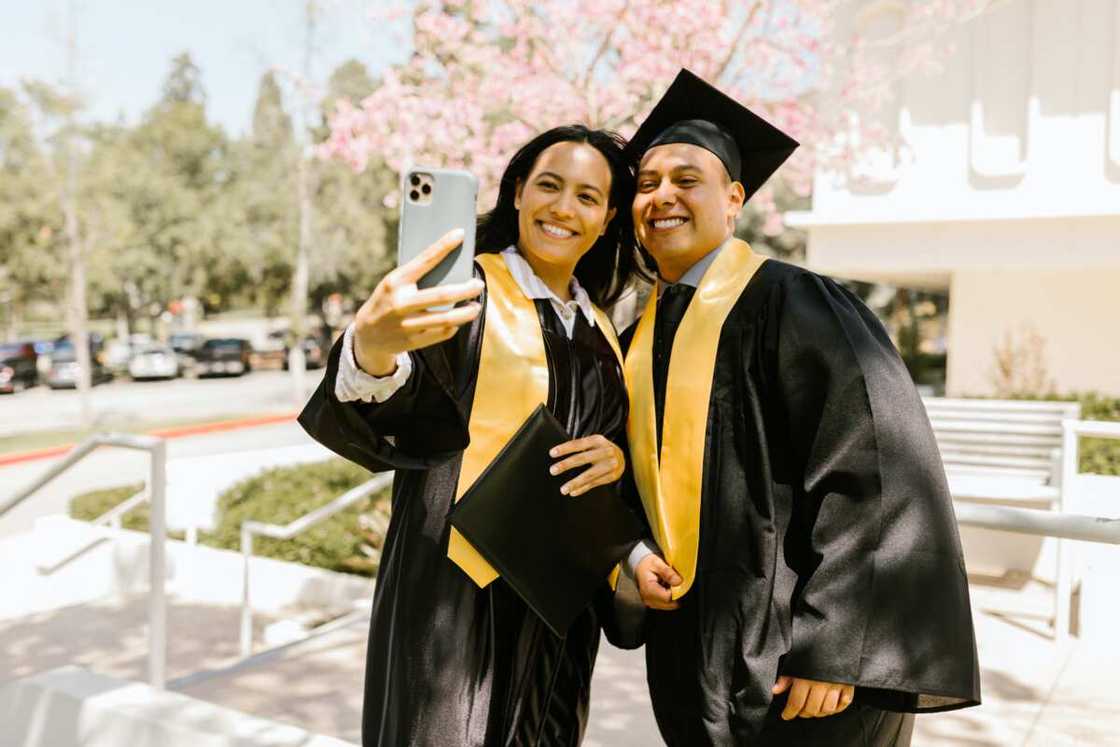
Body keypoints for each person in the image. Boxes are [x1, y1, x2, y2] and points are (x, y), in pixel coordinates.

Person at [619, 69, 981, 746]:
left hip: (802, 667)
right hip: (693, 659)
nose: (661, 195)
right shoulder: (641, 334)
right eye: (646, 183)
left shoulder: (796, 302)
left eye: (686, 179)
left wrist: (838, 641)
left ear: (734, 200)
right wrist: (629, 557)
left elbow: (874, 467)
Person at [298, 124, 646, 747]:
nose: (564, 207)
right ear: (517, 192)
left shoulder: (601, 330)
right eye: (549, 185)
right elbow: (397, 408)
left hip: (558, 615)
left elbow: (609, 461)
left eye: (588, 198)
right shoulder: (464, 294)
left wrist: (616, 461)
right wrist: (372, 349)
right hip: (452, 599)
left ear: (607, 218)